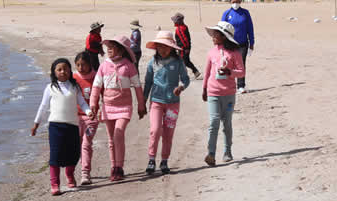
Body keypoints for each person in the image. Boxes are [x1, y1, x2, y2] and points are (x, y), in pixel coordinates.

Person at [32, 58, 94, 195]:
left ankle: (70, 175)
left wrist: (89, 112)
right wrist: (36, 124)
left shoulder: (75, 86)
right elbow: (43, 107)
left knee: (74, 153)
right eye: (59, 69)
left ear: (70, 71)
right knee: (55, 155)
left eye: (65, 69)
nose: (63, 71)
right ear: (54, 72)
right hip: (55, 126)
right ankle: (55, 184)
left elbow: (82, 103)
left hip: (72, 125)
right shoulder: (50, 88)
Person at [89, 35, 146, 181]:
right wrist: (93, 104)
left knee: (118, 134)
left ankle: (119, 167)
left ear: (121, 49)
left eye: (112, 47)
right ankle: (113, 167)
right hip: (108, 107)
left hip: (124, 107)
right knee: (111, 139)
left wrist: (141, 105)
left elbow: (138, 86)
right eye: (108, 47)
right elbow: (96, 86)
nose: (108, 49)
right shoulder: (103, 66)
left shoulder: (128, 66)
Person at [143, 31, 190, 175]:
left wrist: (181, 87)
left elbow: (186, 79)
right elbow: (148, 83)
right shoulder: (152, 62)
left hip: (173, 104)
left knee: (168, 133)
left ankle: (164, 161)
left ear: (171, 48)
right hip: (156, 102)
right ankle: (151, 159)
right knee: (155, 130)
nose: (162, 49)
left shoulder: (178, 63)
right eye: (160, 46)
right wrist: (142, 102)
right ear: (156, 47)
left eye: (165, 46)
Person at [201, 21, 245, 167]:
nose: (213, 36)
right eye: (213, 33)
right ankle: (211, 154)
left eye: (216, 34)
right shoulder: (211, 52)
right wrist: (204, 89)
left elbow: (242, 72)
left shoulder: (235, 53)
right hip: (213, 92)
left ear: (224, 36)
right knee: (213, 122)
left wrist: (230, 72)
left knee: (227, 123)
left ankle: (227, 151)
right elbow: (207, 73)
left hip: (229, 94)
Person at [220, 0, 255, 93]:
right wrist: (221, 43)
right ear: (230, 3)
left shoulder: (245, 13)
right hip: (230, 43)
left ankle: (241, 85)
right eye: (233, 2)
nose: (235, 4)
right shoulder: (226, 14)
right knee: (229, 64)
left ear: (240, 2)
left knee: (241, 64)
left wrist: (252, 43)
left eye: (237, 2)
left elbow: (250, 28)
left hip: (243, 43)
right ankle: (229, 85)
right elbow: (222, 29)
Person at [73, 51, 99, 185]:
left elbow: (104, 94)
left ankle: (85, 173)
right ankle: (72, 171)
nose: (81, 68)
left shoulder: (96, 77)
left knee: (86, 143)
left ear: (90, 65)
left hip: (91, 118)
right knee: (76, 145)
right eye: (78, 65)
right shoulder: (73, 78)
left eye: (83, 65)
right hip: (75, 118)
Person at [172, 12, 201, 79]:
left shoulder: (180, 29)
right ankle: (195, 71)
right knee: (186, 61)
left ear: (178, 22)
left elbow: (184, 39)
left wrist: (186, 48)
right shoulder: (184, 27)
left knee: (182, 62)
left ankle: (182, 75)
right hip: (185, 47)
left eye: (175, 21)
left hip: (183, 48)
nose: (174, 22)